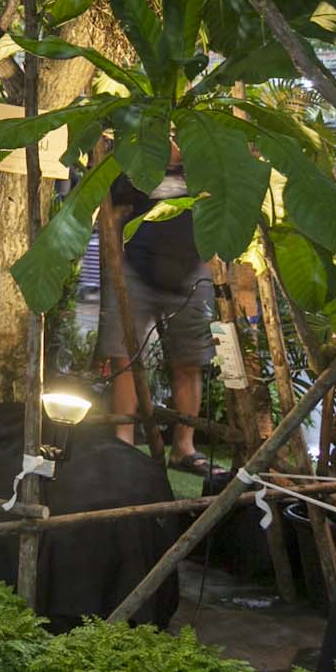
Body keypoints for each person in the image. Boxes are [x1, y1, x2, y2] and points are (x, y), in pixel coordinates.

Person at [98, 161, 215, 472]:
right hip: (136, 267)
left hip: (191, 268)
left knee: (189, 362)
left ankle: (184, 447)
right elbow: (113, 212)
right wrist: (116, 262)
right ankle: (124, 441)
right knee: (126, 359)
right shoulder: (138, 158)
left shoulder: (204, 161)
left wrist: (211, 262)